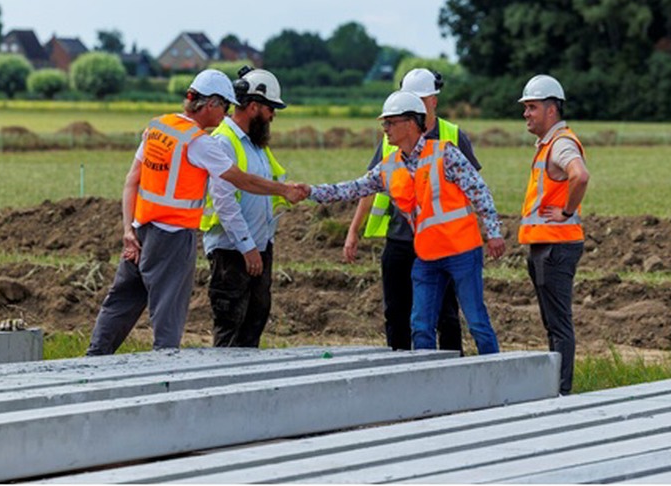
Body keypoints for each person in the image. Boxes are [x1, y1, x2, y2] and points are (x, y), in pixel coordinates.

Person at [85, 69, 307, 355]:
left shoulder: (157, 127)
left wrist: (128, 230)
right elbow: (240, 179)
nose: (226, 115)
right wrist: (283, 190)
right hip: (173, 238)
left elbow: (132, 180)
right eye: (225, 106)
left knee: (121, 302)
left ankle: (92, 362)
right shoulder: (198, 142)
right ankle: (165, 372)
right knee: (169, 313)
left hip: (141, 232)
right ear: (211, 104)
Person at [302, 91, 506, 355]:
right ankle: (427, 382)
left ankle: (496, 378)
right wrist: (309, 192)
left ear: (410, 123)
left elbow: (480, 192)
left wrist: (494, 233)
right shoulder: (389, 166)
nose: (384, 129)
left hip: (462, 252)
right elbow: (353, 189)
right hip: (427, 256)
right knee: (420, 325)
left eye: (390, 122)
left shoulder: (446, 154)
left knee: (476, 322)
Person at [343, 68, 482, 353]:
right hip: (400, 239)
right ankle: (401, 369)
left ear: (434, 101)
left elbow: (474, 191)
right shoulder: (390, 137)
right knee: (397, 311)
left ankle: (448, 371)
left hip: (442, 243)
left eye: (421, 99)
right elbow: (368, 185)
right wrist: (353, 231)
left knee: (445, 314)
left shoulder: (453, 136)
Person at [199, 67, 290, 348]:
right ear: (253, 107)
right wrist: (247, 247)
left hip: (258, 246)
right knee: (230, 328)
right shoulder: (224, 142)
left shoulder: (257, 144)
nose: (273, 116)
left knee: (254, 321)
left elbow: (265, 188)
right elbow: (225, 202)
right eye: (271, 109)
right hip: (232, 251)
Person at [517, 74, 591, 395]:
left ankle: (561, 392)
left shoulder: (560, 144)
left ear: (551, 110)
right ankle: (556, 389)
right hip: (545, 244)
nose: (526, 114)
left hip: (556, 246)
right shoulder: (549, 144)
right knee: (553, 324)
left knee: (559, 325)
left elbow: (581, 175)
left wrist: (566, 210)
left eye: (532, 107)